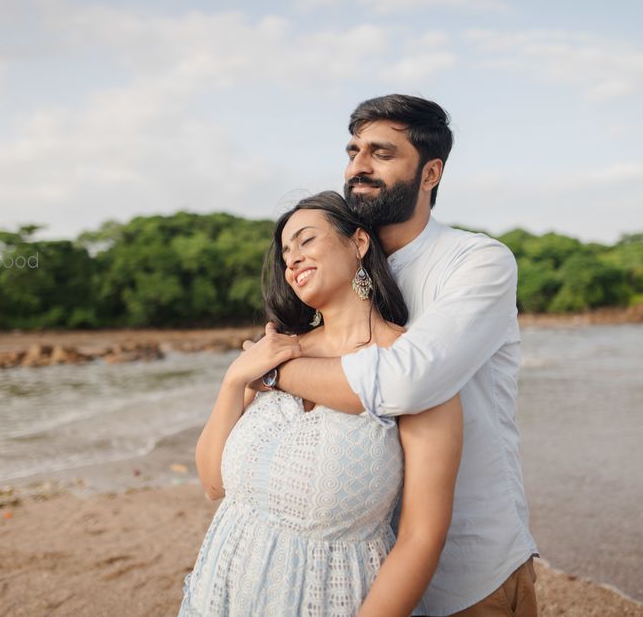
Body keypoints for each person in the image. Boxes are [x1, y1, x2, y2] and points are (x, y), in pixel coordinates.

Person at [257, 95, 539, 617]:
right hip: (355, 568)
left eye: (382, 153)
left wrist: (277, 367)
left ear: (430, 172)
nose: (358, 167)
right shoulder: (336, 272)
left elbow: (408, 383)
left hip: (468, 568)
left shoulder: (477, 262)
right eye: (353, 150)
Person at [179, 191, 464, 616]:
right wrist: (234, 378)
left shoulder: (411, 367)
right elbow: (212, 483)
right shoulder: (271, 354)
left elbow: (422, 538)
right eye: (285, 252)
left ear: (359, 243)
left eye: (306, 240)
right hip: (223, 593)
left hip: (339, 598)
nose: (291, 259)